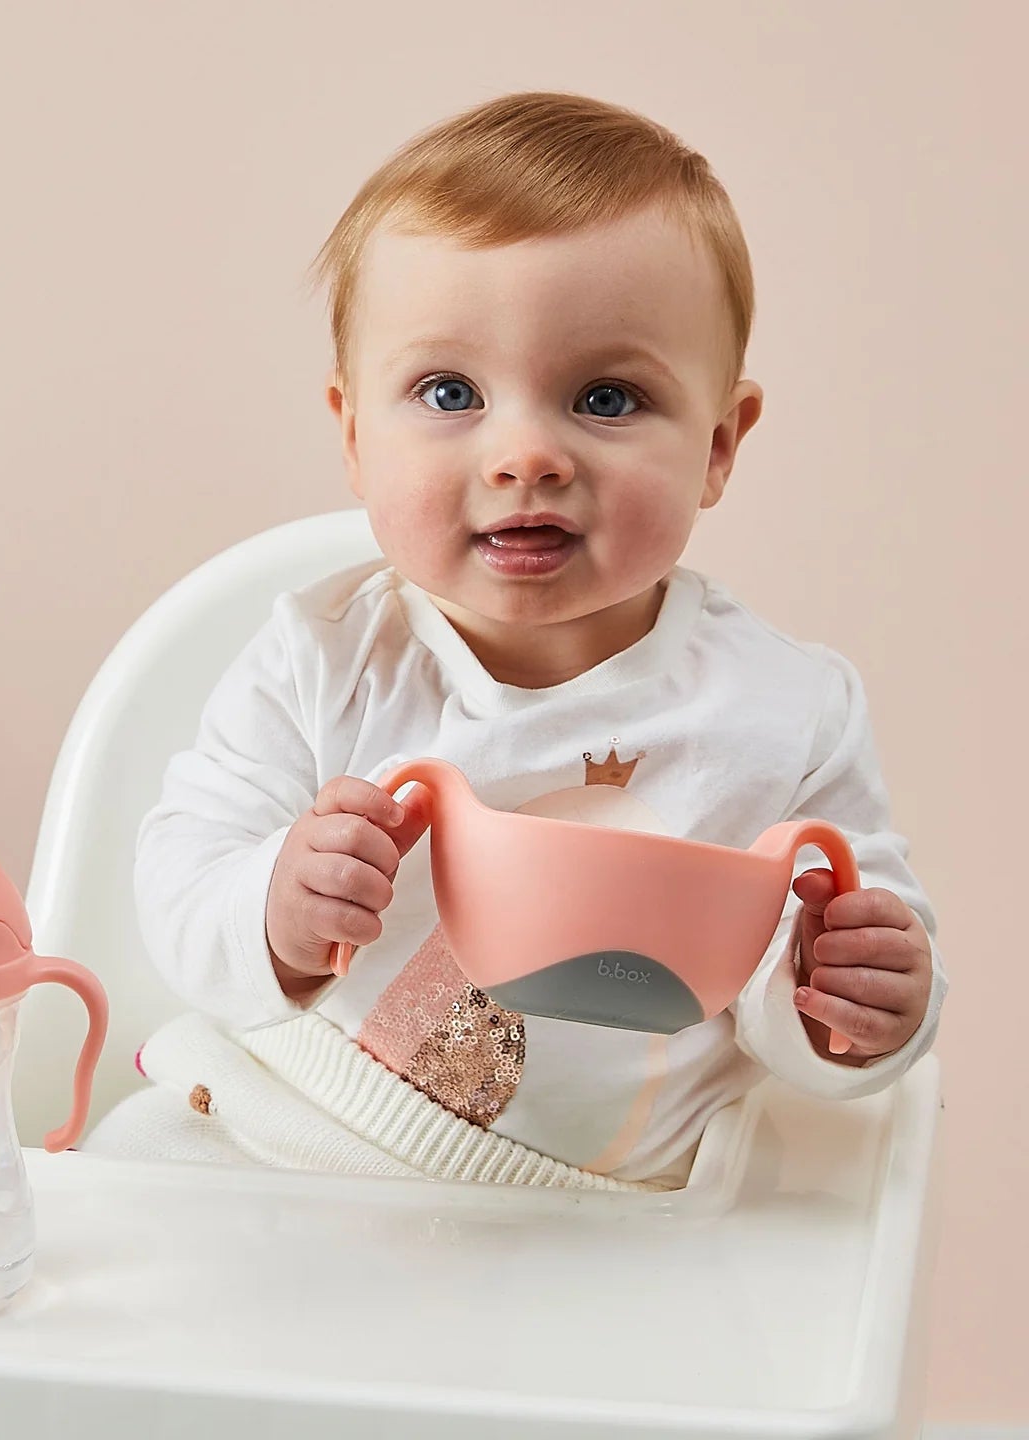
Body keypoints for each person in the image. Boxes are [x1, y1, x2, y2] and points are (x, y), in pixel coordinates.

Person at [80, 92, 946, 1191]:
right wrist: (274, 906)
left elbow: (827, 974)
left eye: (606, 396)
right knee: (109, 1205)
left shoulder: (783, 714)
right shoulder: (322, 656)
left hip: (594, 1224)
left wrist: (859, 1002)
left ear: (720, 443)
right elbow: (181, 877)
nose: (526, 453)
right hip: (279, 1125)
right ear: (353, 432)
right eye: (450, 392)